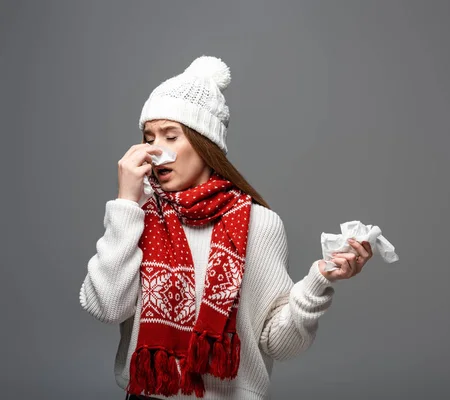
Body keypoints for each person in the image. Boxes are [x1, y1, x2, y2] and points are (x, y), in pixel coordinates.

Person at [79, 55, 374, 400]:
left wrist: (319, 280)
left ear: (206, 144)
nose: (156, 151)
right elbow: (106, 307)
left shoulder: (259, 224)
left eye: (171, 136)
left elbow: (279, 344)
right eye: (149, 138)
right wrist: (126, 204)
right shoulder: (136, 216)